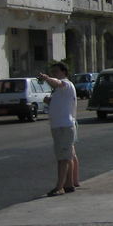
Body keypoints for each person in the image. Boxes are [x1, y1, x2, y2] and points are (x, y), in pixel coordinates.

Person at [38, 62, 80, 196]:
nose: (54, 73)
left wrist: (46, 78)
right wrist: (49, 101)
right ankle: (70, 183)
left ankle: (59, 187)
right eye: (52, 71)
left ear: (64, 72)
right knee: (69, 156)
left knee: (63, 158)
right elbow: (61, 103)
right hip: (60, 126)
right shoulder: (60, 90)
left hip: (64, 126)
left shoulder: (65, 84)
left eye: (56, 71)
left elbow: (57, 83)